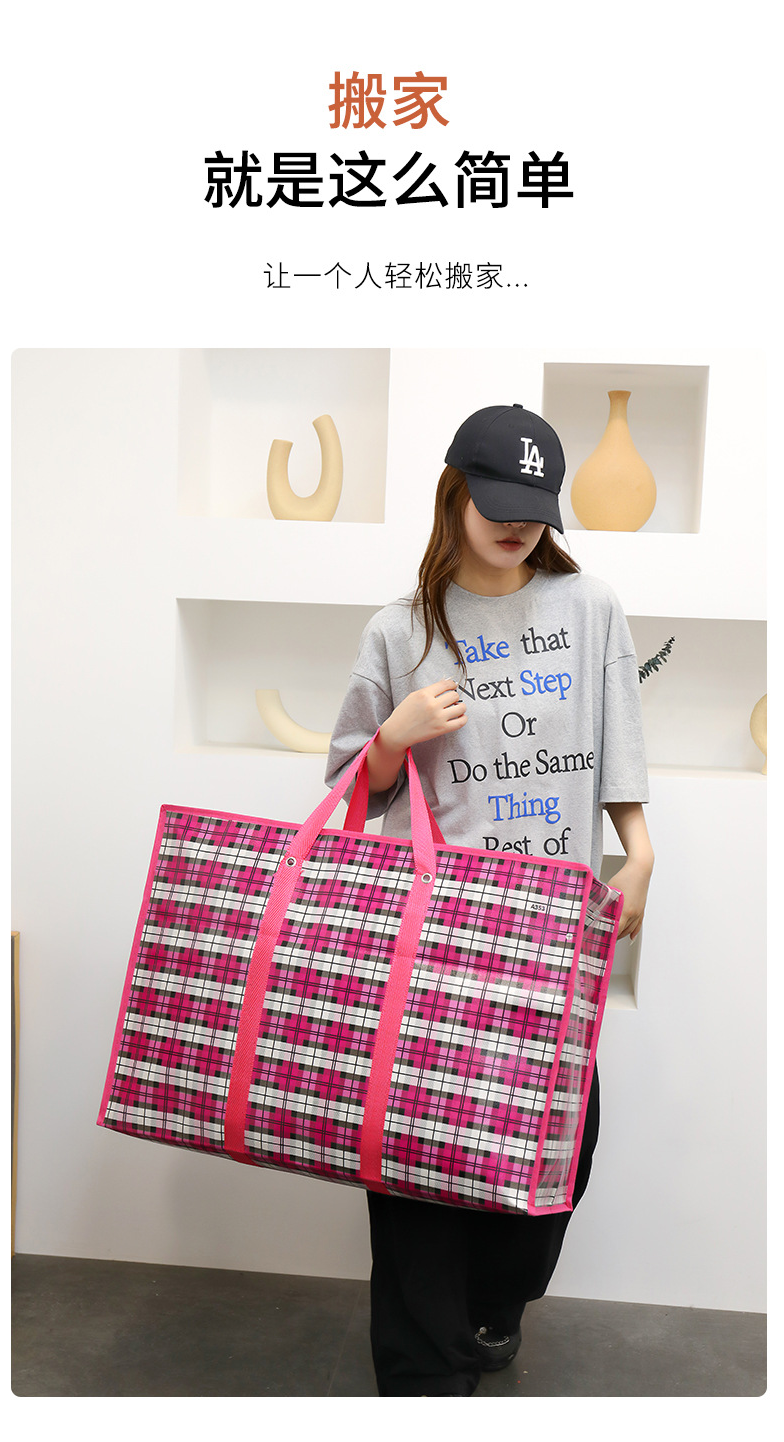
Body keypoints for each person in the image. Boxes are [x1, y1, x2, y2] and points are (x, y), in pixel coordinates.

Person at [324, 403, 653, 1397]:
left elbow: (619, 740)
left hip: (550, 933)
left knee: (558, 1145)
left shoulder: (590, 606)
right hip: (432, 938)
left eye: (532, 506)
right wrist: (395, 734)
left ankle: (493, 1308)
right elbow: (349, 799)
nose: (516, 523)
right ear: (454, 494)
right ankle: (422, 1376)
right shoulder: (400, 629)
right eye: (496, 501)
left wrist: (639, 851)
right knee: (414, 1159)